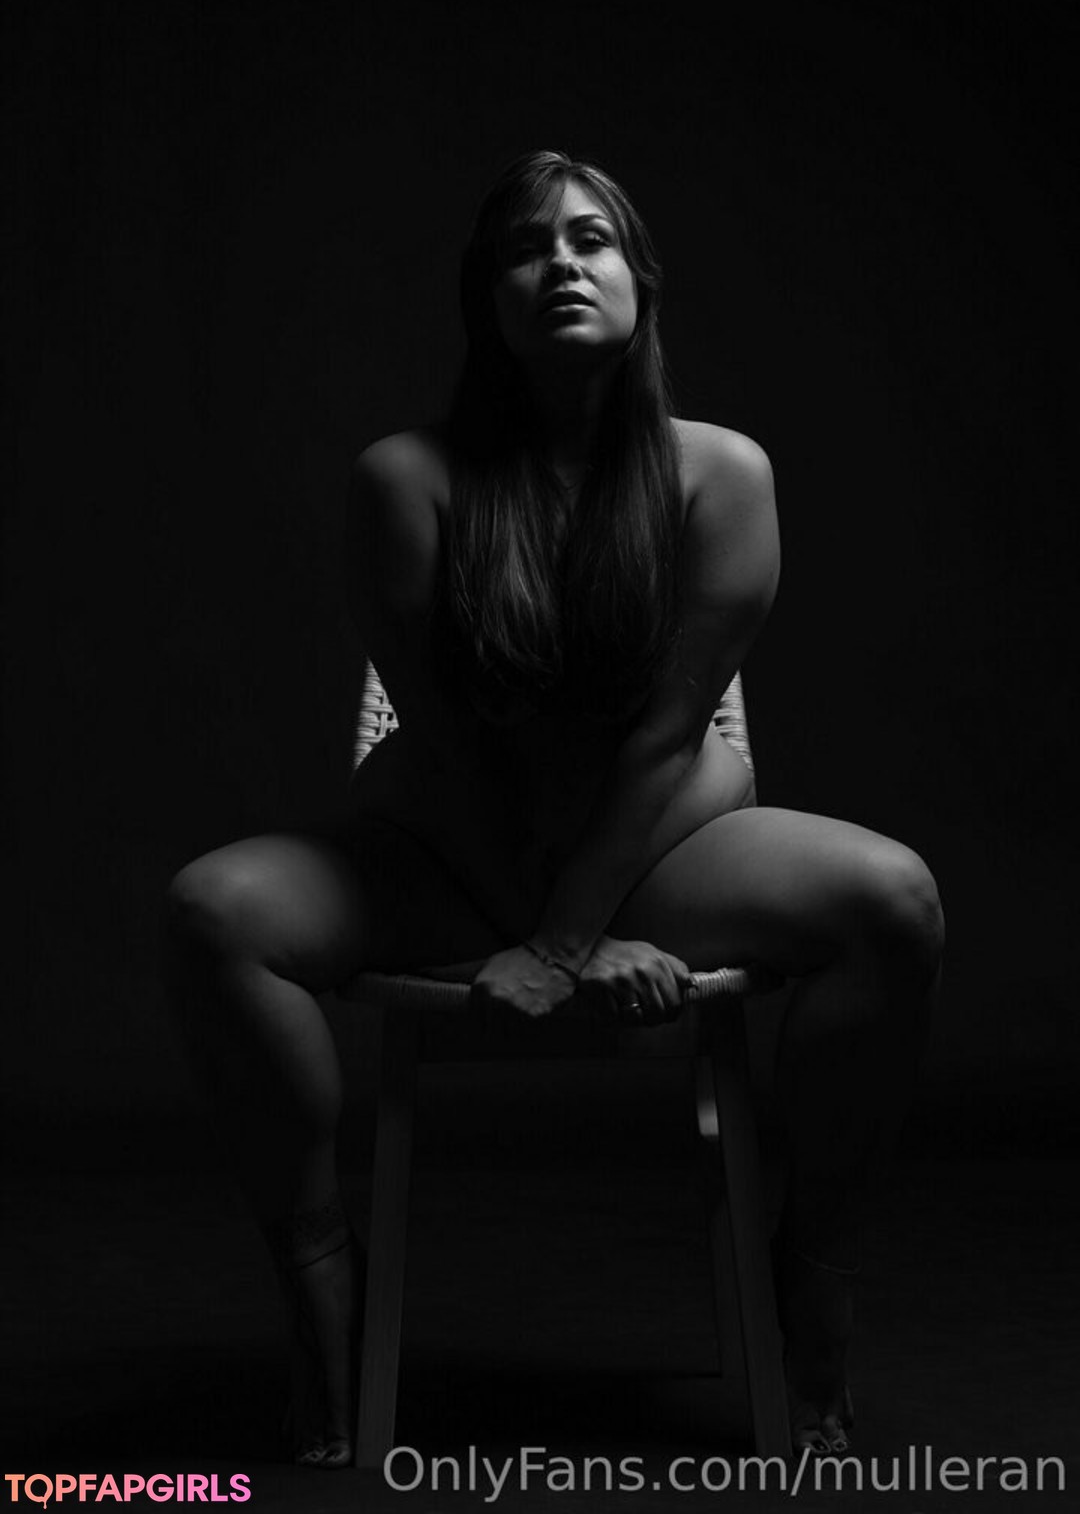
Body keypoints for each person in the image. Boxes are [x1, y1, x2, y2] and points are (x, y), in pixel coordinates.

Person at [162, 149, 944, 1466]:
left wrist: (571, 935)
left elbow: (667, 741)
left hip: (659, 846)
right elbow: (441, 742)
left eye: (592, 240)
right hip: (449, 842)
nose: (562, 265)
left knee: (895, 899)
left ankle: (810, 1269)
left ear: (642, 281)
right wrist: (552, 931)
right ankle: (319, 1284)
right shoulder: (406, 477)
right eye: (528, 249)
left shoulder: (722, 473)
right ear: (489, 299)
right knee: (212, 912)